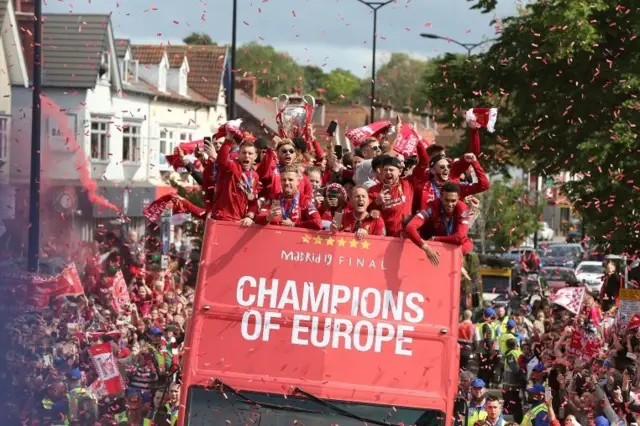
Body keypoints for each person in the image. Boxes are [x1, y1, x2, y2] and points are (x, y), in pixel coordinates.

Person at [404, 182, 473, 266]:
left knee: (468, 244)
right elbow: (410, 227)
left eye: (453, 201)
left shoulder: (463, 209)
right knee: (406, 221)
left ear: (458, 198)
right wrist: (426, 247)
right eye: (446, 200)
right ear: (440, 197)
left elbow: (459, 237)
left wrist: (435, 239)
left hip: (454, 249)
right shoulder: (432, 206)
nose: (450, 204)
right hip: (432, 249)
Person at [210, 138, 260, 225]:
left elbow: (253, 201)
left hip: (239, 221)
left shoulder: (254, 176)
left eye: (250, 153)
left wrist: (249, 216)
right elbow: (222, 160)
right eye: (244, 153)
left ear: (255, 156)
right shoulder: (232, 166)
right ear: (238, 154)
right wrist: (229, 138)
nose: (247, 156)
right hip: (222, 217)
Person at [257, 166, 322, 230]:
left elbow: (318, 223)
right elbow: (258, 219)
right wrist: (268, 218)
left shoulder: (304, 200)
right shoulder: (274, 198)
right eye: (284, 180)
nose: (287, 183)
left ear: (298, 182)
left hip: (295, 239)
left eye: (290, 180)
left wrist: (293, 224)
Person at [367, 156, 414, 237]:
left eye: (391, 170)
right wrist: (376, 203)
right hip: (385, 237)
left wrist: (418, 143)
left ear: (399, 171)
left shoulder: (408, 184)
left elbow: (423, 164)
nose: (388, 172)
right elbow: (364, 212)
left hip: (406, 236)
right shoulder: (373, 190)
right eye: (385, 170)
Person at [502, 338, 525, 423]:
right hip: (519, 383)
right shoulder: (520, 353)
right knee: (517, 405)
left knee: (515, 406)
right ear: (517, 345)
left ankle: (518, 422)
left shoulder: (510, 355)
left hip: (512, 385)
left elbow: (514, 369)